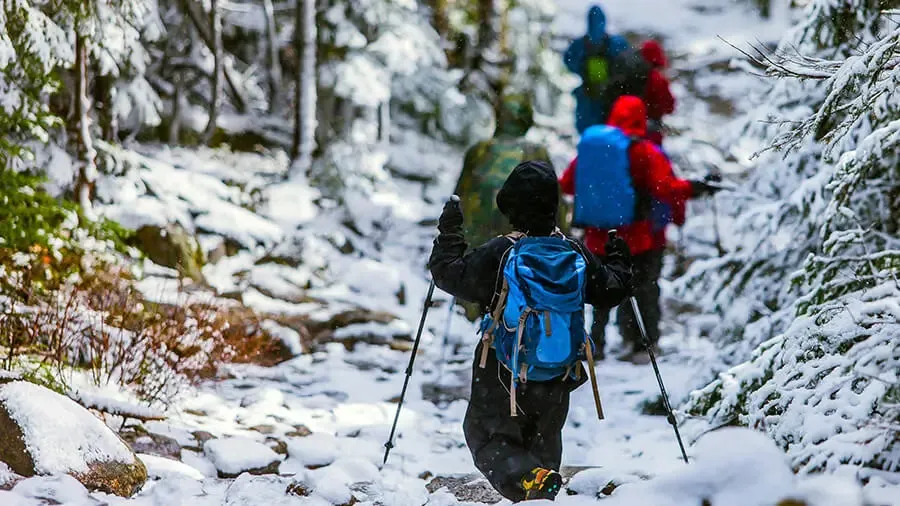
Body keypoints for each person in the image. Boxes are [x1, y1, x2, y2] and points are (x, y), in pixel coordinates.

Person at [430, 160, 633, 502]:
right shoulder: (574, 252)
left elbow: (448, 274)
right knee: (544, 439)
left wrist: (450, 233)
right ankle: (540, 482)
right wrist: (619, 260)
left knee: (486, 434)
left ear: (510, 206)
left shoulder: (502, 251)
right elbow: (611, 290)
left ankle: (529, 478)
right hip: (560, 368)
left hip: (502, 368)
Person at [559, 95, 720, 364]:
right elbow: (666, 187)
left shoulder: (593, 150)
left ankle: (595, 342)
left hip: (598, 238)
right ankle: (641, 344)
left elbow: (566, 185)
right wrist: (697, 187)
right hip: (637, 238)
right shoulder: (643, 151)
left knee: (600, 292)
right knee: (642, 289)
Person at [563, 5, 631, 133]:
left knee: (588, 132)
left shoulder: (579, 45)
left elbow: (568, 60)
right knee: (609, 133)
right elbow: (628, 62)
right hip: (610, 96)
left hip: (588, 94)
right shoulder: (616, 43)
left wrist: (581, 72)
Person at [639, 40, 676, 146]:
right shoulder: (658, 79)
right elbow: (669, 106)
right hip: (652, 130)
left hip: (632, 129)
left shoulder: (633, 75)